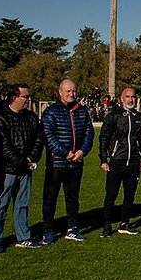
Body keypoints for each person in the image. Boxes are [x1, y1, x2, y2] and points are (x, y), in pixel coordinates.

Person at [0, 83, 43, 252]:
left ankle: (23, 236)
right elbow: (3, 145)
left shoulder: (31, 117)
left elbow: (38, 140)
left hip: (25, 168)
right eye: (25, 96)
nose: (28, 99)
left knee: (22, 203)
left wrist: (31, 158)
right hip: (7, 169)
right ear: (14, 98)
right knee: (2, 203)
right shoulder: (2, 118)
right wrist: (20, 161)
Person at [41, 78, 95, 243]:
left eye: (73, 91)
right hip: (57, 163)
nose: (71, 94)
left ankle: (72, 227)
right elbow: (48, 136)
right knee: (50, 198)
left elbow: (89, 132)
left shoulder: (82, 111)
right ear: (60, 92)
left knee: (72, 198)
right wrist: (65, 153)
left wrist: (82, 151)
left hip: (76, 162)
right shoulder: (51, 111)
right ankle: (48, 230)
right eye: (68, 91)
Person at [98, 87, 141, 237]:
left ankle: (124, 223)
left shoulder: (140, 117)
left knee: (129, 195)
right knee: (111, 195)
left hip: (133, 162)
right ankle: (107, 225)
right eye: (127, 97)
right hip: (116, 161)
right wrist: (103, 159)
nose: (130, 100)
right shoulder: (113, 116)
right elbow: (104, 137)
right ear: (121, 98)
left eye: (132, 97)